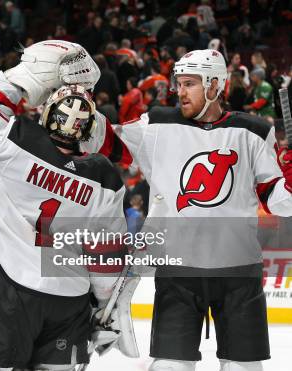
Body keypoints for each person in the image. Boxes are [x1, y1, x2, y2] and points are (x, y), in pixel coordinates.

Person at [0, 40, 136, 371]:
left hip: (12, 290)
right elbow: (107, 260)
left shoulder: (18, 142)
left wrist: (29, 73)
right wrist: (103, 308)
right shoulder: (106, 178)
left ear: (45, 113)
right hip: (70, 300)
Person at [93, 49, 292, 371]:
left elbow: (281, 202)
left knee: (243, 368)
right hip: (179, 273)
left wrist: (290, 181)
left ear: (215, 86)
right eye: (179, 83)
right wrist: (76, 107)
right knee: (169, 366)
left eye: (190, 84)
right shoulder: (156, 124)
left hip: (239, 271)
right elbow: (101, 141)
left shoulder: (254, 131)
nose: (180, 92)